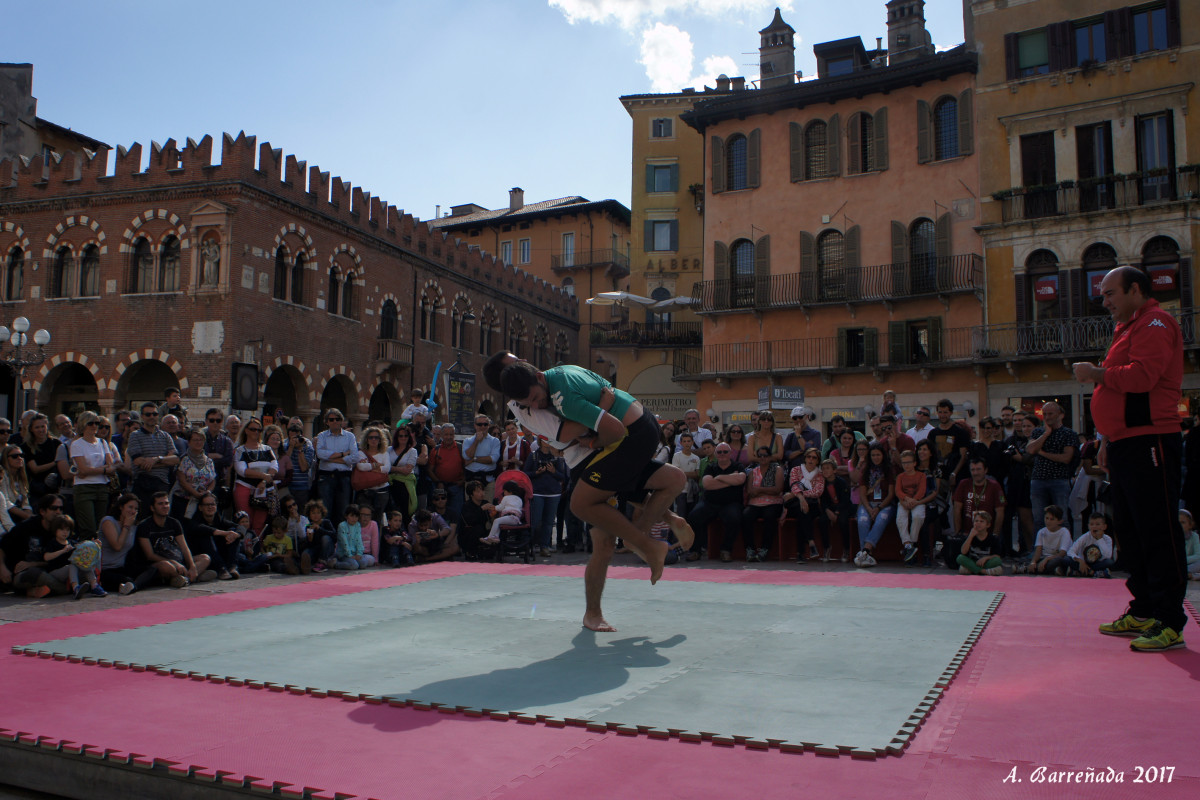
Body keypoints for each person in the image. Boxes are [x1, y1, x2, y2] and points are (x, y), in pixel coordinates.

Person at [485, 351, 690, 631]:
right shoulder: (527, 408)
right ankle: (596, 608)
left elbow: (594, 428)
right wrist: (602, 406)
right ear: (506, 384)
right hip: (591, 458)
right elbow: (568, 435)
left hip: (612, 446)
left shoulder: (552, 383)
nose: (523, 364)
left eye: (521, 362)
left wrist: (599, 414)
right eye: (514, 366)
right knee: (608, 535)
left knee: (593, 508)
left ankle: (644, 538)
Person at [1074, 265, 1187, 651]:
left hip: (1151, 442)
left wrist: (1096, 373)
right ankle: (1143, 610)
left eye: (1110, 294)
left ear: (1135, 290)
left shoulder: (1155, 323)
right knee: (1131, 531)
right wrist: (1108, 438)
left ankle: (1170, 621)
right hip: (1127, 443)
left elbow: (1142, 378)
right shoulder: (1131, 327)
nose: (1104, 301)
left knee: (1157, 530)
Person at [136, 491, 213, 588]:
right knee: (167, 566)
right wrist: (174, 562)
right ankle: (194, 577)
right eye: (160, 504)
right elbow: (150, 555)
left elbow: (185, 548)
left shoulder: (174, 523)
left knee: (205, 558)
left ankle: (186, 578)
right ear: (152, 508)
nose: (165, 506)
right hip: (161, 564)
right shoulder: (144, 526)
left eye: (166, 503)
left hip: (179, 562)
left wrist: (192, 566)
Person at [687, 442, 745, 563]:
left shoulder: (738, 465)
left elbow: (740, 479)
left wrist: (718, 478)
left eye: (725, 452)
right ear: (716, 454)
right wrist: (730, 479)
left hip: (731, 503)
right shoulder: (710, 467)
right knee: (693, 516)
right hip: (710, 503)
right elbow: (707, 484)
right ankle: (695, 551)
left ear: (730, 453)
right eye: (719, 452)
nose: (722, 454)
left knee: (734, 518)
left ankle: (726, 550)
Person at [1025, 402, 1078, 533]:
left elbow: (1066, 458)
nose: (1047, 417)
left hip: (1059, 479)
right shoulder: (1038, 432)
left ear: (1060, 415)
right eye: (1045, 414)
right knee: (1038, 518)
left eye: (1050, 414)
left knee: (1062, 518)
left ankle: (1064, 549)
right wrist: (1046, 434)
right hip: (1038, 479)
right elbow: (1030, 450)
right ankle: (1039, 550)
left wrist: (1042, 453)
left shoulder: (1068, 434)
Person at [69, 411, 118, 537]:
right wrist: (103, 469)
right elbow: (83, 470)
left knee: (101, 526)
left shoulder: (102, 443)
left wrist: (92, 470)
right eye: (91, 423)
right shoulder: (77, 444)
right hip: (84, 488)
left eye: (97, 423)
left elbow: (111, 466)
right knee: (88, 527)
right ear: (83, 425)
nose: (95, 426)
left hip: (102, 487)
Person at [124, 403, 179, 514]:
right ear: (142, 416)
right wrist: (165, 461)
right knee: (143, 518)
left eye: (154, 414)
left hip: (162, 483)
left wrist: (155, 459)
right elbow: (138, 461)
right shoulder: (135, 435)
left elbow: (175, 460)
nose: (151, 417)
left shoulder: (165, 436)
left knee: (161, 516)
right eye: (148, 414)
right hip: (143, 482)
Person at [98, 494, 158, 595]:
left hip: (121, 567)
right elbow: (117, 546)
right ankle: (132, 586)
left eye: (136, 509)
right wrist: (126, 526)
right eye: (130, 507)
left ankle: (133, 587)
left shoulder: (134, 525)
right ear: (121, 507)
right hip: (105, 569)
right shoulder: (108, 521)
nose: (133, 511)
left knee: (152, 570)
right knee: (127, 580)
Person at [233, 418, 278, 535]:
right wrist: (263, 475)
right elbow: (242, 470)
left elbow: (274, 467)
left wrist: (263, 481)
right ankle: (244, 546)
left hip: (263, 489)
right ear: (246, 431)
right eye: (253, 429)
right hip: (245, 486)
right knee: (245, 521)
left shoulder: (267, 449)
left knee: (260, 524)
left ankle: (257, 547)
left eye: (259, 430)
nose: (256, 432)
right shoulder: (240, 450)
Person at [854, 443, 895, 568]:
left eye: (878, 454)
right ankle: (867, 555)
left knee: (880, 520)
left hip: (885, 504)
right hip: (868, 504)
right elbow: (862, 494)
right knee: (862, 520)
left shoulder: (889, 470)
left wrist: (878, 508)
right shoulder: (865, 471)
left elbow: (891, 494)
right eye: (873, 455)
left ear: (883, 455)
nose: (876, 457)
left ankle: (865, 551)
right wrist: (869, 508)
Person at [741, 445, 785, 562]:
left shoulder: (777, 469)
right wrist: (767, 489)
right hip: (755, 504)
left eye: (765, 455)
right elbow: (750, 491)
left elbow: (777, 490)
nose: (762, 458)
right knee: (746, 516)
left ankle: (765, 549)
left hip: (773, 503)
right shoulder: (752, 472)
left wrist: (759, 490)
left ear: (770, 457)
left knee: (769, 516)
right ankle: (750, 549)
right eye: (760, 455)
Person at [525, 438, 567, 557]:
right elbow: (526, 473)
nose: (547, 442)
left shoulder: (556, 456)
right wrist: (536, 473)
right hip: (538, 492)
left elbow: (562, 477)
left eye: (548, 440)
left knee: (549, 522)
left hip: (553, 493)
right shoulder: (533, 455)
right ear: (539, 441)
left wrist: (553, 471)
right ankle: (530, 545)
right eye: (544, 440)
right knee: (535, 521)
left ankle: (545, 546)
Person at [315, 408, 358, 525]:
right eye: (331, 419)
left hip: (344, 477)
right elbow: (320, 454)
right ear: (327, 422)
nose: (335, 422)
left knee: (343, 511)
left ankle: (341, 539)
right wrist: (343, 454)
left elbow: (354, 457)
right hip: (326, 477)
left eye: (337, 419)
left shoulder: (350, 437)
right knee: (325, 511)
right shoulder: (322, 436)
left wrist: (332, 458)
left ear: (342, 421)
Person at [188, 492, 245, 579]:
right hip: (203, 557)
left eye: (212, 504)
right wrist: (223, 533)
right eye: (207, 505)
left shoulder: (218, 519)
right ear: (200, 507)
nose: (210, 507)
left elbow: (240, 527)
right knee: (206, 535)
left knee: (233, 533)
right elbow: (203, 529)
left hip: (220, 555)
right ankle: (221, 569)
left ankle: (231, 567)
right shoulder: (195, 521)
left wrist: (237, 534)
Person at [782, 447, 823, 562]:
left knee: (803, 514)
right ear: (805, 458)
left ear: (818, 460)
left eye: (814, 458)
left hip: (813, 505)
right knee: (803, 512)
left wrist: (797, 494)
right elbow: (794, 485)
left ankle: (801, 553)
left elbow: (817, 492)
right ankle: (810, 543)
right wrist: (800, 498)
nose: (811, 459)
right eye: (808, 456)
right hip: (796, 504)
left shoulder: (819, 474)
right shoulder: (796, 470)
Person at [895, 450, 933, 564]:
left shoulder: (921, 476)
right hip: (904, 501)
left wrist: (914, 501)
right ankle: (908, 545)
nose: (906, 465)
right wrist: (906, 500)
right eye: (903, 463)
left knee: (918, 517)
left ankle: (910, 545)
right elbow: (898, 491)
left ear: (914, 463)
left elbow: (922, 491)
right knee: (901, 519)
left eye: (908, 462)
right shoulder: (900, 476)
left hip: (918, 501)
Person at [171, 428, 217, 521]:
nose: (198, 442)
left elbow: (213, 480)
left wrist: (207, 493)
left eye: (201, 440)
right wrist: (195, 494)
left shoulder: (208, 461)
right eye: (195, 440)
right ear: (189, 442)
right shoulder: (184, 459)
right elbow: (182, 480)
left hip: (203, 502)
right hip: (184, 501)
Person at [927, 400, 972, 492]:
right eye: (940, 412)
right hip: (938, 476)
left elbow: (963, 456)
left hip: (956, 475)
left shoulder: (960, 432)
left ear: (951, 413)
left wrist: (954, 474)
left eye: (945, 412)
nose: (942, 415)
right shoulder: (932, 433)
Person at [428, 424, 465, 525]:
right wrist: (438, 482)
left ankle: (454, 538)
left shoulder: (461, 448)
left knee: (457, 515)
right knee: (439, 516)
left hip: (456, 487)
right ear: (441, 435)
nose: (448, 437)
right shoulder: (436, 450)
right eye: (446, 434)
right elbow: (430, 470)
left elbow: (467, 467)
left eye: (451, 434)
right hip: (440, 488)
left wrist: (462, 481)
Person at [354, 426, 393, 524]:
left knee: (378, 520)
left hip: (382, 492)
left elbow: (387, 469)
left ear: (380, 440)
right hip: (365, 493)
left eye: (376, 437)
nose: (374, 440)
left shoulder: (385, 453)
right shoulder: (361, 453)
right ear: (366, 440)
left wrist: (370, 467)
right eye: (371, 437)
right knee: (363, 520)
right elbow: (361, 467)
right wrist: (376, 465)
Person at [22, 413, 62, 502]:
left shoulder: (56, 443)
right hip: (37, 489)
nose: (41, 430)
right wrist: (55, 462)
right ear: (31, 429)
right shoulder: (27, 446)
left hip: (55, 487)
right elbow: (35, 469)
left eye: (43, 426)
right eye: (37, 427)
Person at [1023, 505, 1073, 575]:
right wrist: (1033, 562)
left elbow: (1062, 553)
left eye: (1052, 519)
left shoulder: (1064, 532)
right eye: (1046, 518)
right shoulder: (1041, 532)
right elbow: (1038, 551)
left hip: (1056, 558)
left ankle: (1029, 569)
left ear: (1060, 521)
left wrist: (1047, 559)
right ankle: (1051, 570)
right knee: (1032, 559)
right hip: (1044, 558)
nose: (1048, 521)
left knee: (1060, 561)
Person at [387, 425, 422, 521]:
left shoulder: (412, 451)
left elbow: (407, 470)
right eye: (400, 436)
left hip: (405, 486)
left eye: (405, 436)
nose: (403, 438)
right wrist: (399, 469)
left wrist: (391, 468)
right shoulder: (389, 450)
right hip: (390, 484)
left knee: (405, 512)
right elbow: (384, 467)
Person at [1068, 512, 1116, 578]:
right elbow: (1071, 551)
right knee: (1066, 559)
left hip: (1097, 564)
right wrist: (1080, 561)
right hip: (1083, 563)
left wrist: (1099, 539)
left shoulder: (1107, 539)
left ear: (1104, 526)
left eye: (1097, 524)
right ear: (1088, 526)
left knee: (1109, 562)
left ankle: (1085, 572)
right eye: (1091, 524)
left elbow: (1107, 556)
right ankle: (1095, 573)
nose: (1094, 527)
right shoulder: (1084, 537)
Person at [957, 511, 1004, 575]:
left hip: (986, 563)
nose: (978, 523)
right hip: (973, 562)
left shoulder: (993, 539)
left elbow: (997, 556)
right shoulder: (970, 536)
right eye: (976, 521)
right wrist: (970, 536)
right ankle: (983, 571)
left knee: (997, 561)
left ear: (988, 525)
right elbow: (963, 552)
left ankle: (973, 570)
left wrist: (986, 558)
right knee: (960, 558)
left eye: (982, 521)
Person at [280, 419, 314, 509]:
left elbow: (304, 468)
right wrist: (291, 447)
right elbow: (284, 465)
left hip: (301, 487)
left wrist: (300, 449)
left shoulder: (307, 447)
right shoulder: (284, 446)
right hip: (286, 486)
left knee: (301, 512)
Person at [462, 414, 500, 493]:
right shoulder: (468, 441)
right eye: (480, 424)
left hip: (488, 481)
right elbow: (467, 456)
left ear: (488, 425)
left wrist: (474, 459)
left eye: (485, 424)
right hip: (471, 480)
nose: (483, 427)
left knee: (488, 505)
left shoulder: (495, 441)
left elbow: (493, 459)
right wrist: (476, 441)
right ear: (475, 426)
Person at [201, 408, 235, 493]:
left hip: (219, 481)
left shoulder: (227, 441)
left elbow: (228, 461)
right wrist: (213, 456)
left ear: (222, 422)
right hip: (200, 481)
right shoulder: (199, 439)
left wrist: (206, 457)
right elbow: (196, 457)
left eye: (218, 420)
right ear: (206, 421)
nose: (215, 423)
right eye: (212, 420)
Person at [481, 480, 525, 544]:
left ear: (509, 491)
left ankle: (489, 537)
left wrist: (494, 507)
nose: (503, 493)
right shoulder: (519, 499)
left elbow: (500, 507)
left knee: (496, 521)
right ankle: (496, 536)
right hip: (516, 519)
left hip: (510, 517)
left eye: (504, 491)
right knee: (499, 523)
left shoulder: (506, 497)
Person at [457, 480, 492, 561]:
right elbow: (469, 521)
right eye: (478, 491)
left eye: (482, 490)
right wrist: (481, 509)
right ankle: (470, 552)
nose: (482, 493)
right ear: (471, 494)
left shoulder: (485, 502)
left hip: (483, 531)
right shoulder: (466, 505)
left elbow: (489, 519)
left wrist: (493, 512)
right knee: (477, 528)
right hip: (468, 533)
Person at [333, 505, 374, 569]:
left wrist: (359, 554)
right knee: (354, 565)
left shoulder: (357, 525)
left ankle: (354, 560)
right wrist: (350, 555)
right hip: (344, 554)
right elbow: (344, 543)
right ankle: (335, 564)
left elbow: (359, 540)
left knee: (364, 563)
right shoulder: (342, 526)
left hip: (355, 553)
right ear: (346, 516)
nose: (354, 519)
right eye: (352, 516)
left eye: (356, 517)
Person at [1, 444, 32, 524]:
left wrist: (29, 515)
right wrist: (26, 516)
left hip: (19, 514)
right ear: (6, 459)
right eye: (15, 456)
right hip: (6, 515)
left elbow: (25, 500)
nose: (19, 458)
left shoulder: (20, 476)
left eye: (21, 455)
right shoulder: (2, 476)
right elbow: (6, 502)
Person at [783, 407, 821, 473]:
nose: (798, 420)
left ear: (806, 417)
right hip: (793, 472)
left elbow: (811, 452)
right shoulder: (791, 435)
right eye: (795, 418)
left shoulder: (815, 434)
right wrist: (801, 450)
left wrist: (798, 435)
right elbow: (786, 455)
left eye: (800, 417)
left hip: (811, 472)